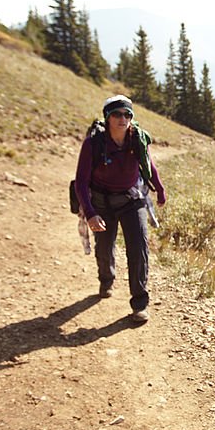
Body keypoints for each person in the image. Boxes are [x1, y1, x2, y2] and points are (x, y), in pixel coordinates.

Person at [74, 95, 166, 323]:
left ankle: (139, 303)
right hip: (101, 203)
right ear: (107, 118)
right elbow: (81, 181)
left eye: (127, 114)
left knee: (139, 249)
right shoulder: (93, 144)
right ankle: (106, 280)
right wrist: (91, 213)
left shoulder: (138, 139)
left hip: (131, 200)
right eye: (117, 114)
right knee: (104, 248)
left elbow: (149, 164)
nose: (123, 119)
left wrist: (160, 188)